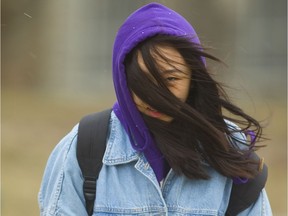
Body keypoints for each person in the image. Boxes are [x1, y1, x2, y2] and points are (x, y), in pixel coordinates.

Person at [38, 3, 272, 215]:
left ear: (194, 77)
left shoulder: (231, 149)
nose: (156, 97)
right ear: (123, 78)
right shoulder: (83, 148)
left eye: (171, 79)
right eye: (143, 82)